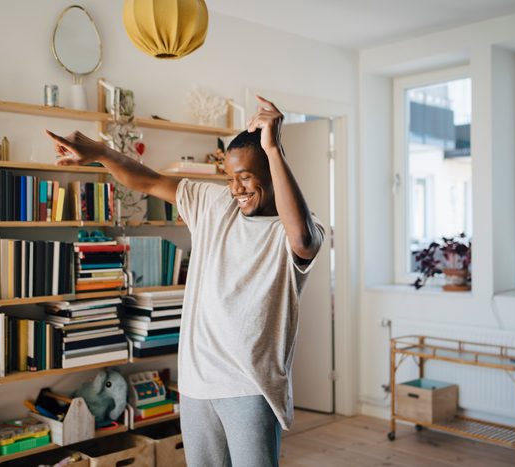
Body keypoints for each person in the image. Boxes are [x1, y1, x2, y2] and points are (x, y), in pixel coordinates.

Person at [46, 96, 325, 467]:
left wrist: (273, 147)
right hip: (196, 385)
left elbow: (302, 241)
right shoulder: (214, 204)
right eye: (231, 178)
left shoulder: (296, 229)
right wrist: (101, 151)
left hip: (249, 388)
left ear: (273, 171)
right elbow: (147, 180)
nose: (237, 188)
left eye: (246, 177)